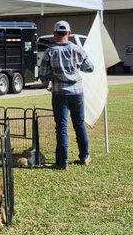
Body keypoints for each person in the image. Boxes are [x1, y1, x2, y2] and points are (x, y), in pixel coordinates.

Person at [39, 20, 94, 170]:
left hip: (59, 93)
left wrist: (48, 85)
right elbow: (90, 68)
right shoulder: (77, 49)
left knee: (62, 127)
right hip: (77, 92)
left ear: (54, 33)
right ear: (69, 33)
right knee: (79, 125)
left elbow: (43, 75)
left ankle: (62, 163)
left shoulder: (50, 51)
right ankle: (84, 157)